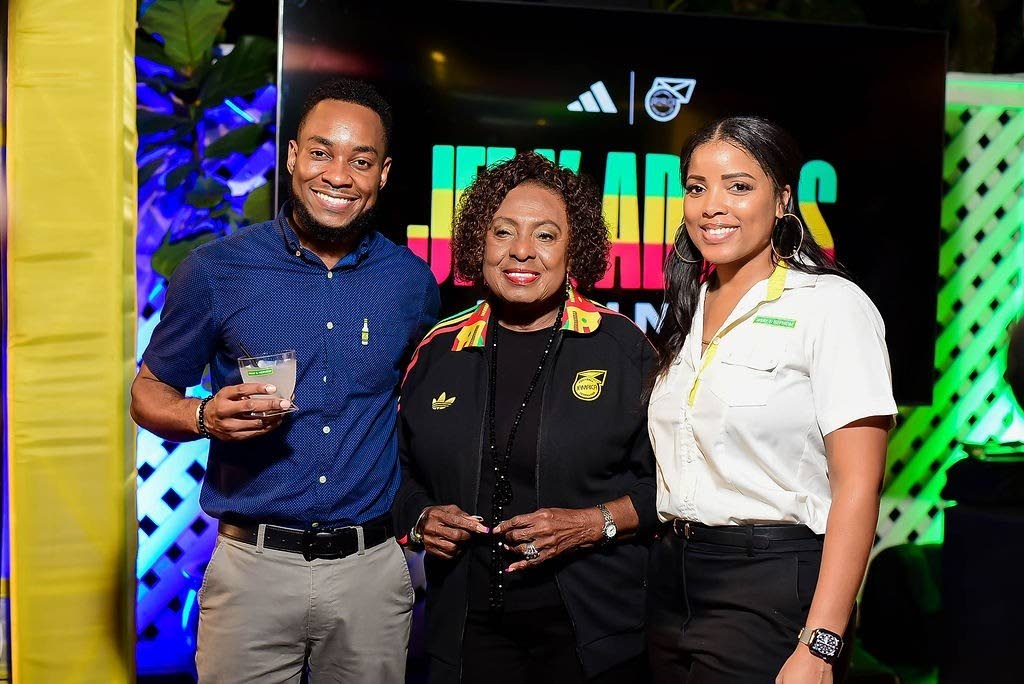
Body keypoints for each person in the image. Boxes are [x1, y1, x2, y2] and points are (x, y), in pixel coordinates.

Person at [130, 77, 440, 682]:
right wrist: (203, 416)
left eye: (361, 161)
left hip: (370, 574)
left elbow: (424, 411)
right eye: (321, 152)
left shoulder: (410, 284)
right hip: (252, 572)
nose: (338, 175)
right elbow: (148, 392)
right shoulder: (218, 270)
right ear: (293, 156)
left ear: (383, 174)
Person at [646, 116, 897, 683]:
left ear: (783, 199)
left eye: (738, 186)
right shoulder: (687, 308)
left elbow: (858, 489)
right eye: (696, 187)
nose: (712, 206)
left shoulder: (831, 306)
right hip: (670, 583)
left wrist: (822, 642)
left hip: (773, 585)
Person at [392, 151, 656, 683]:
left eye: (545, 235)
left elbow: (675, 487)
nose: (521, 251)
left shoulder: (623, 349)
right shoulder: (439, 350)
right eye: (503, 231)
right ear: (479, 243)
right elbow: (397, 473)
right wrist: (420, 519)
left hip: (594, 635)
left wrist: (591, 524)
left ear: (573, 248)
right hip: (466, 634)